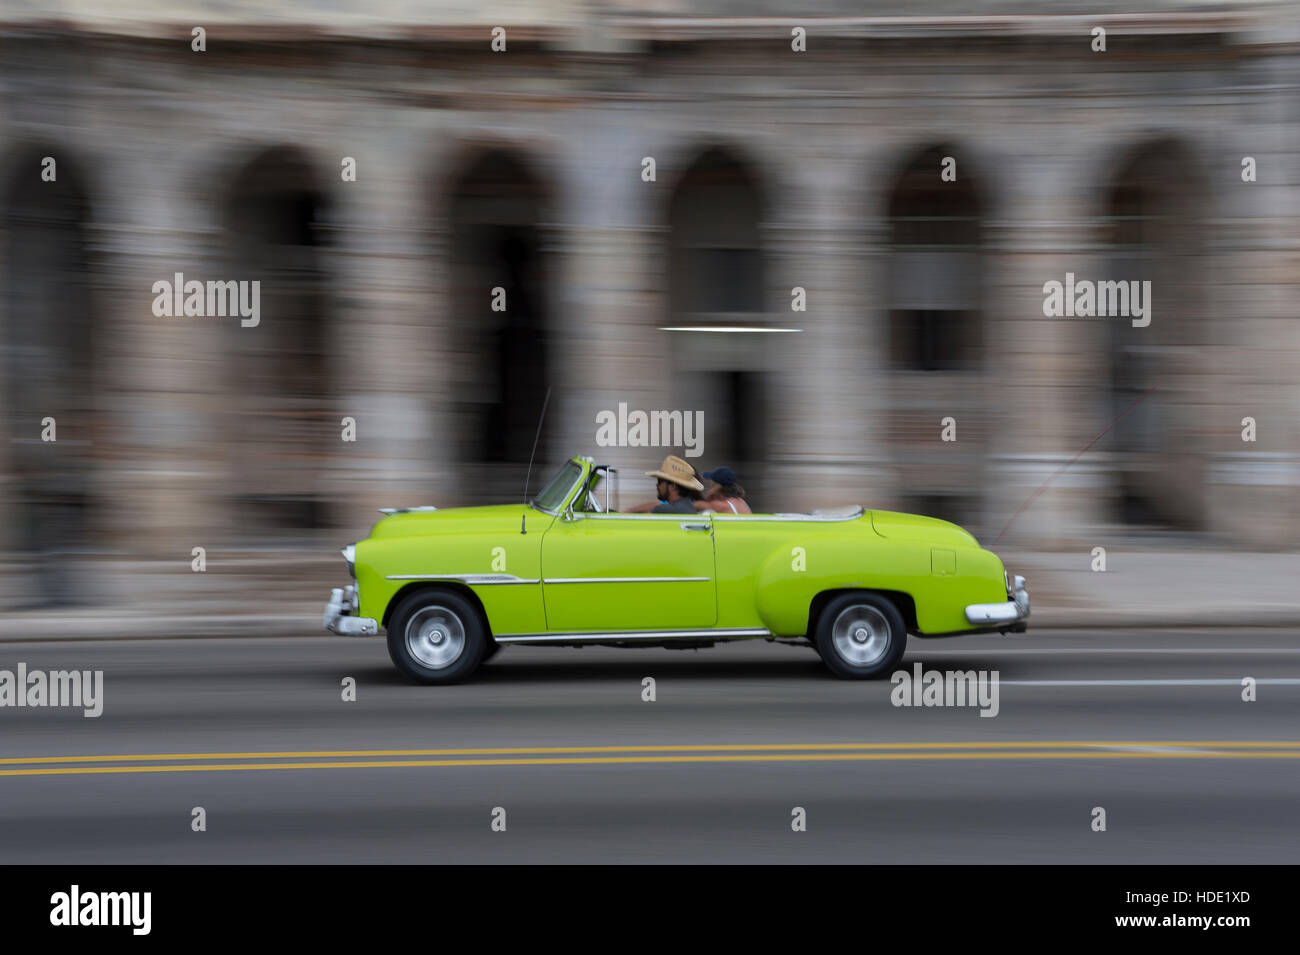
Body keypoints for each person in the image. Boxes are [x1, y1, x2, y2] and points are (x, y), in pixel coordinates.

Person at [624, 455, 704, 514]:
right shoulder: (689, 508)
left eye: (660, 481)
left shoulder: (663, 510)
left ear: (673, 486)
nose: (657, 485)